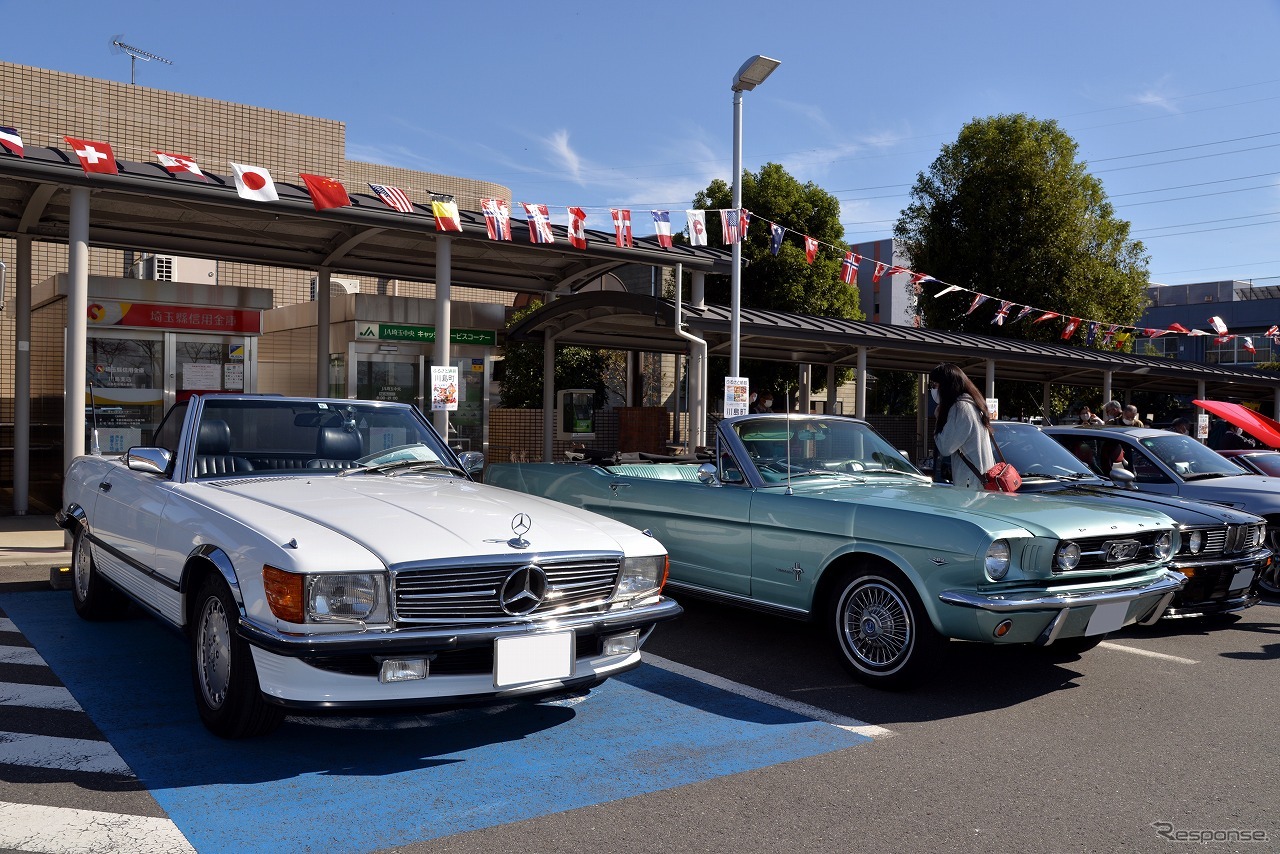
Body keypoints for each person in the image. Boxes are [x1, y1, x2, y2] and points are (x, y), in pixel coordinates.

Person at [930, 363, 995, 490]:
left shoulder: (961, 408)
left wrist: (938, 418)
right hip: (980, 483)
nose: (933, 389)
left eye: (935, 385)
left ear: (946, 386)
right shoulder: (973, 404)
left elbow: (945, 447)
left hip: (971, 488)